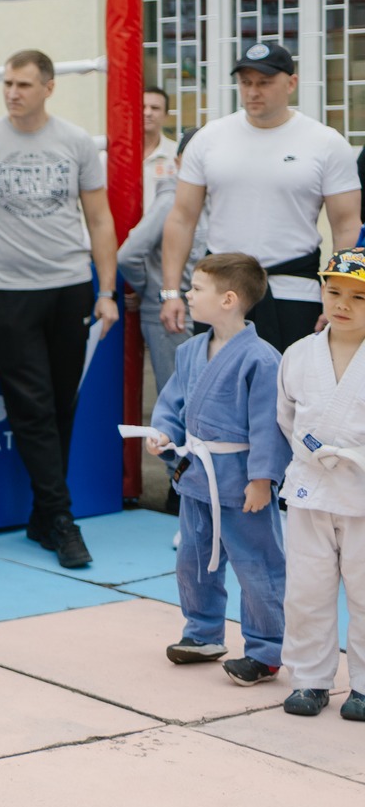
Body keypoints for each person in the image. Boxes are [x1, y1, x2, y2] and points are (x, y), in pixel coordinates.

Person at [0, 50, 119, 571]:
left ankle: (43, 516)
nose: (12, 93)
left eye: (23, 84)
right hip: (7, 290)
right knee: (33, 407)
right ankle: (61, 518)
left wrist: (106, 290)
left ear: (48, 87)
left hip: (70, 286)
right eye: (7, 83)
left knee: (62, 405)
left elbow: (100, 219)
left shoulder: (76, 141)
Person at [160, 43, 361, 353]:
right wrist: (171, 292)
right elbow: (181, 218)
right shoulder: (209, 139)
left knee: (290, 382)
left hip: (294, 289)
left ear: (291, 83)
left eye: (264, 82)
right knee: (218, 380)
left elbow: (346, 226)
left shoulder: (326, 143)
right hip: (221, 290)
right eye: (246, 82)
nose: (253, 91)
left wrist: (339, 296)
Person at [143, 253, 288, 685]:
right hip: (196, 477)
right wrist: (163, 433)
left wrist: (262, 480)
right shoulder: (190, 351)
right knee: (193, 560)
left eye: (196, 288)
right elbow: (173, 404)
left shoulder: (262, 359)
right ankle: (202, 633)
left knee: (257, 565)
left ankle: (266, 650)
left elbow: (269, 426)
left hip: (241, 481)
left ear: (228, 299)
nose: (188, 295)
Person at [275, 248, 365, 721]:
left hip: (362, 490)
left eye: (359, 296)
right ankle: (309, 679)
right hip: (310, 488)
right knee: (306, 590)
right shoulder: (298, 354)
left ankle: (364, 688)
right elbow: (286, 417)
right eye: (334, 292)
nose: (343, 304)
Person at [118, 129, 203, 505]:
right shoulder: (171, 197)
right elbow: (128, 255)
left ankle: (196, 485)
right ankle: (177, 485)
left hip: (199, 313)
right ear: (179, 161)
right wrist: (152, 291)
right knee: (178, 403)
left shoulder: (211, 200)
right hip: (171, 317)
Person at [138, 85, 179, 211]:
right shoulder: (112, 156)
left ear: (166, 115)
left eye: (155, 108)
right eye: (142, 107)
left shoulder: (177, 155)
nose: (147, 113)